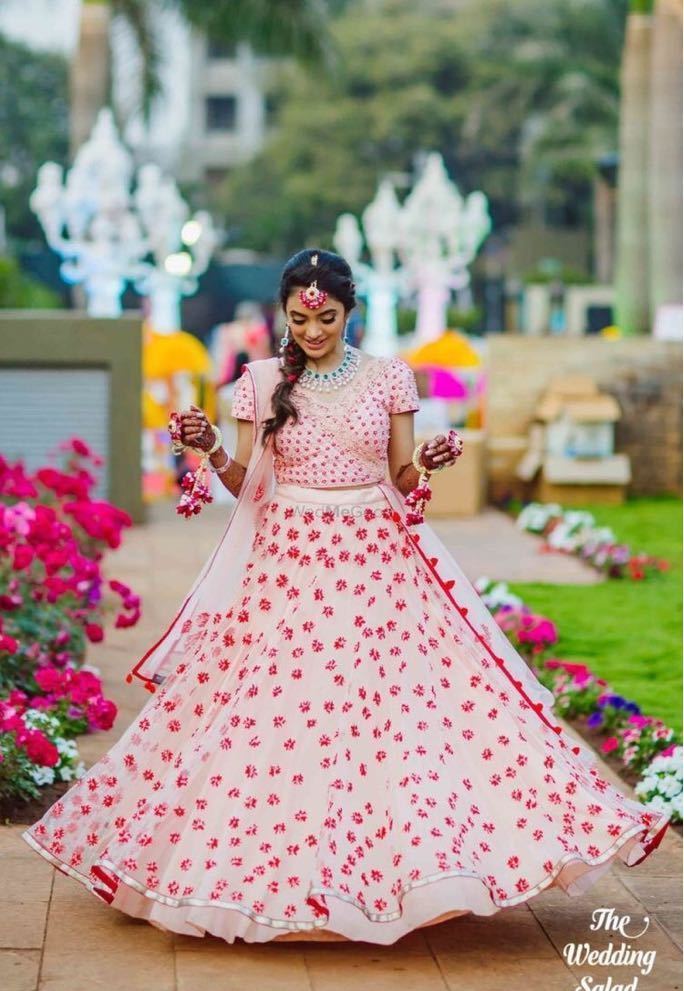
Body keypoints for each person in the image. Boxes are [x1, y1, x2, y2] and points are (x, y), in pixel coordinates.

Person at [21, 249, 671, 946]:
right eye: (300, 319)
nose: (312, 331)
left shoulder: (390, 376)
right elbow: (248, 487)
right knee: (273, 711)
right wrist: (211, 450)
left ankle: (418, 875)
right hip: (288, 562)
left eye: (326, 317)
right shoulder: (261, 380)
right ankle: (261, 880)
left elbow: (400, 475)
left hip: (377, 562)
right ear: (284, 314)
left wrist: (425, 464)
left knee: (396, 711)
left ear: (348, 311)